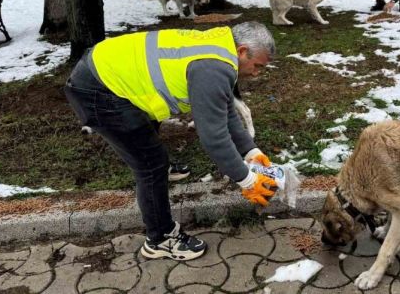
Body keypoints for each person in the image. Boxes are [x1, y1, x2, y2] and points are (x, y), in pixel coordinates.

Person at [64, 22, 277, 261]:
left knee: (150, 151)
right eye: (257, 66)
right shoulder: (214, 68)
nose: (257, 72)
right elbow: (214, 138)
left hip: (108, 70)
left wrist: (251, 151)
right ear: (242, 50)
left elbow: (225, 110)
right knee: (151, 164)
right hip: (98, 89)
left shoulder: (221, 47)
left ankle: (160, 175)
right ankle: (160, 239)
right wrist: (247, 180)